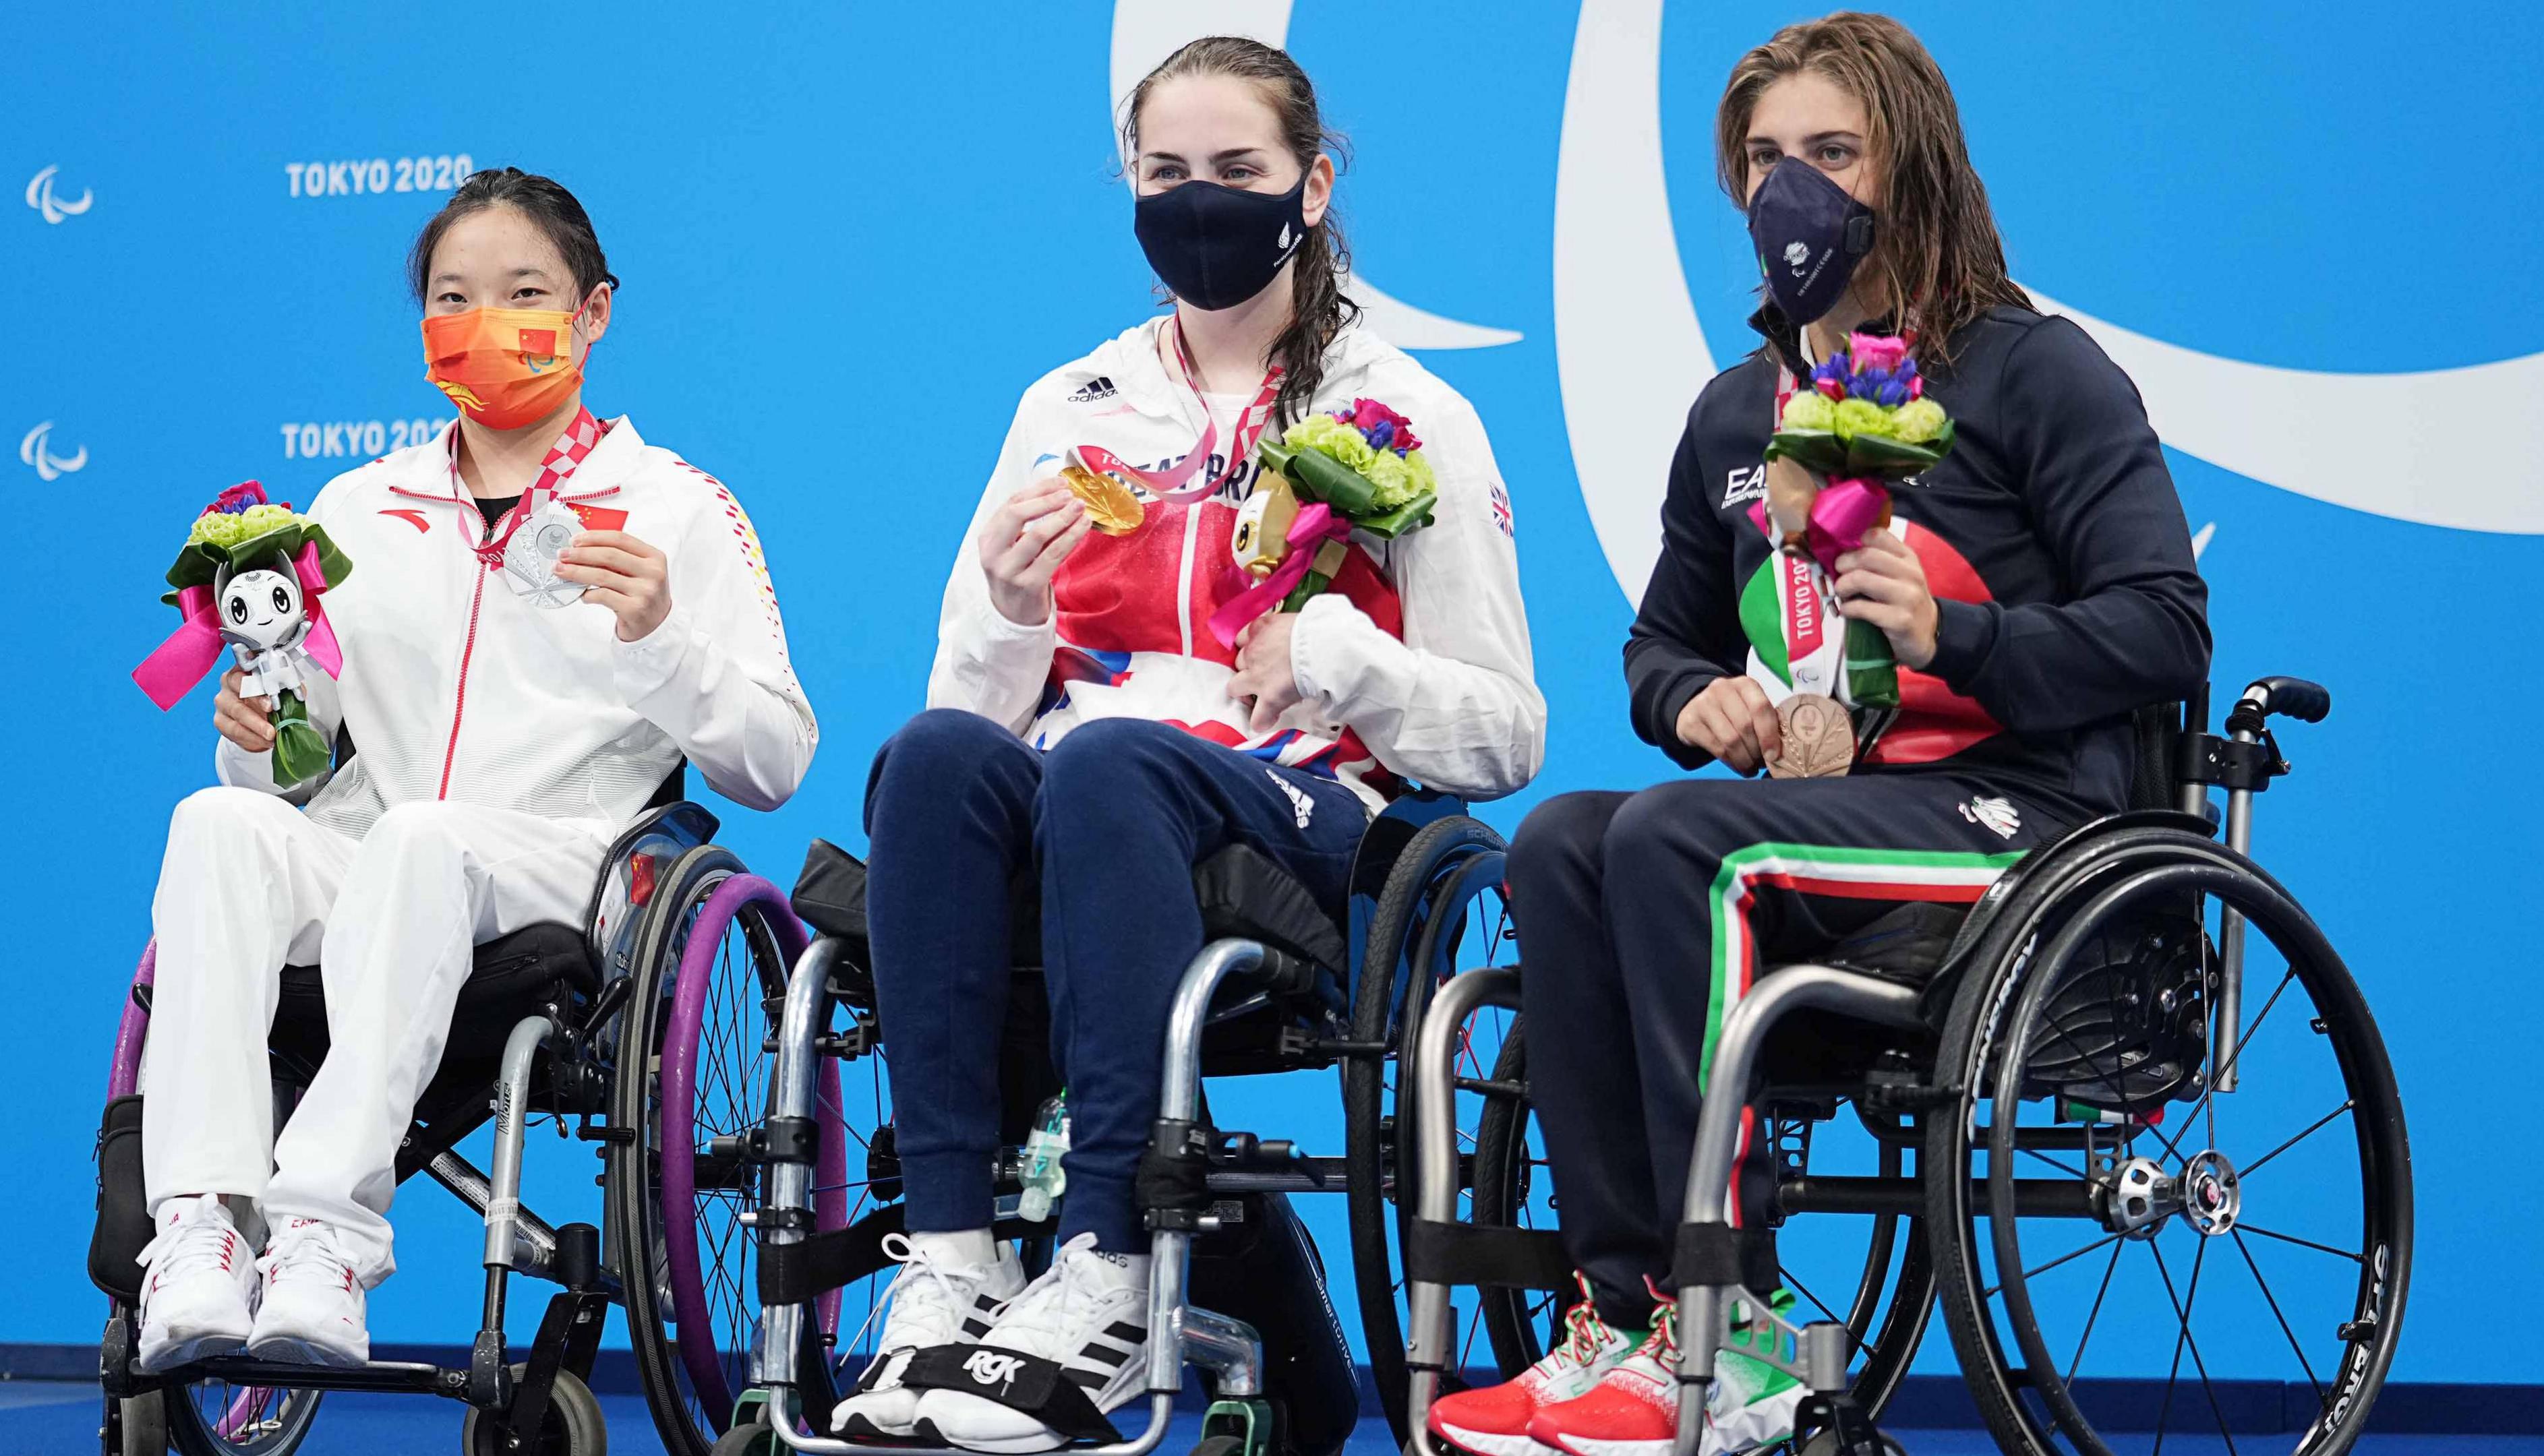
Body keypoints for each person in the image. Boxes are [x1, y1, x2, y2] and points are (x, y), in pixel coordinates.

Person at [1426, 13, 2209, 1456]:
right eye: (1767, 159)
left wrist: (1951, 636)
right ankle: (1626, 1314)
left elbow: (2168, 627)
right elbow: (1661, 641)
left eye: (1832, 153)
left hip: (2022, 823)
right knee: (1563, 840)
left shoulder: (2036, 373)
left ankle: (1745, 1324)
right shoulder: (1737, 415)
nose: (1795, 190)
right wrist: (1689, 699)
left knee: (1672, 841)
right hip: (1817, 818)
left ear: (1910, 168)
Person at [835, 36, 1543, 1453]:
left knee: (1108, 763)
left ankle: (1103, 1265)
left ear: (1314, 183)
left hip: (1295, 825)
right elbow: (974, 726)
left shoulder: (1408, 417)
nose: (1199, 202)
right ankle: (956, 1260)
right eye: (1167, 173)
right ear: (1129, 188)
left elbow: (1506, 732)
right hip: (1080, 814)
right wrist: (1010, 610)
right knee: (925, 758)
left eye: (1238, 171)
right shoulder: (1069, 406)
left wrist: (1342, 657)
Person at [132, 169, 817, 1371]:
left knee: (425, 838)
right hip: (375, 853)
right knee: (212, 824)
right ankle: (201, 1225)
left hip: (568, 867)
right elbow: (305, 767)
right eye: (453, 296)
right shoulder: (356, 505)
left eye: (524, 292)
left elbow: (773, 762)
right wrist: (259, 741)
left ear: (594, 312)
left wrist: (662, 640)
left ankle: (326, 1234)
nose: (483, 322)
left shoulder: (675, 508)